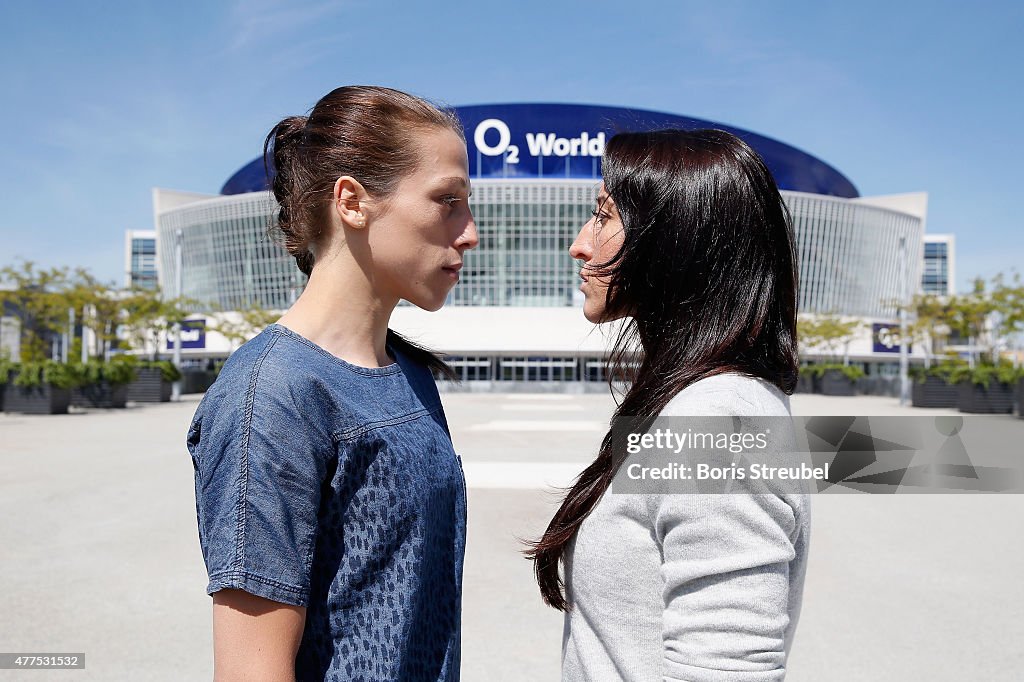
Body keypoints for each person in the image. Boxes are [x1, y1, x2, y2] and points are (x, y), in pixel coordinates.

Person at [186, 85, 478, 682]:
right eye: (447, 201)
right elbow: (251, 669)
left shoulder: (409, 373)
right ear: (352, 202)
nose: (469, 231)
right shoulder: (272, 394)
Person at [528, 129, 810, 681]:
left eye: (603, 217)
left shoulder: (721, 420)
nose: (580, 243)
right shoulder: (695, 401)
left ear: (676, 240)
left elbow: (726, 670)